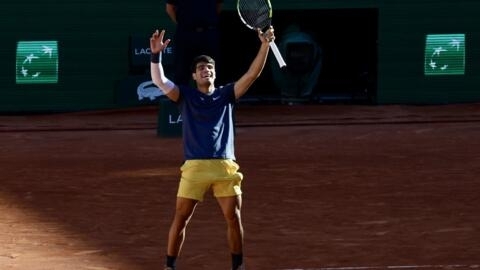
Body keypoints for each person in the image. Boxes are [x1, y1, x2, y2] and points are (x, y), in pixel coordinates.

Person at [149, 25, 276, 270]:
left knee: (234, 217)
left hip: (225, 167)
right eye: (200, 68)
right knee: (181, 218)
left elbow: (251, 75)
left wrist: (265, 45)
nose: (205, 70)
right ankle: (169, 266)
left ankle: (238, 266)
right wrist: (156, 56)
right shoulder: (185, 95)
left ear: (214, 74)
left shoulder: (227, 94)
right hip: (195, 168)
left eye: (209, 67)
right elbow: (160, 81)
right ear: (194, 77)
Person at [165, 0, 223, 86]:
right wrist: (184, 24)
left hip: (208, 35)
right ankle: (182, 98)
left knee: (209, 69)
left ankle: (208, 98)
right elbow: (169, 8)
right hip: (185, 35)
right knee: (182, 71)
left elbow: (218, 6)